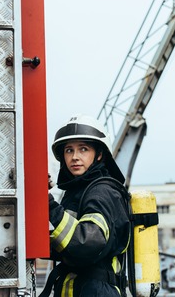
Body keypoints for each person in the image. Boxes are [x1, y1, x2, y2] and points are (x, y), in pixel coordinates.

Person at [43, 114, 130, 297]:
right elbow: (66, 241)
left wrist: (47, 203)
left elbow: (87, 244)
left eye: (83, 149)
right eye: (69, 150)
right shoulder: (77, 191)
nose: (75, 157)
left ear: (99, 155)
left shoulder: (102, 192)